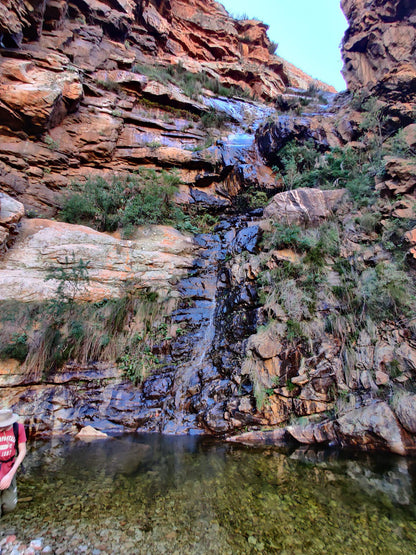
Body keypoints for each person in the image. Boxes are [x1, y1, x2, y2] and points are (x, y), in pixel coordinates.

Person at [0, 408, 27, 517]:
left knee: (10, 506)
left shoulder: (18, 428)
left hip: (9, 468)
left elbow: (22, 451)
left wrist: (10, 475)